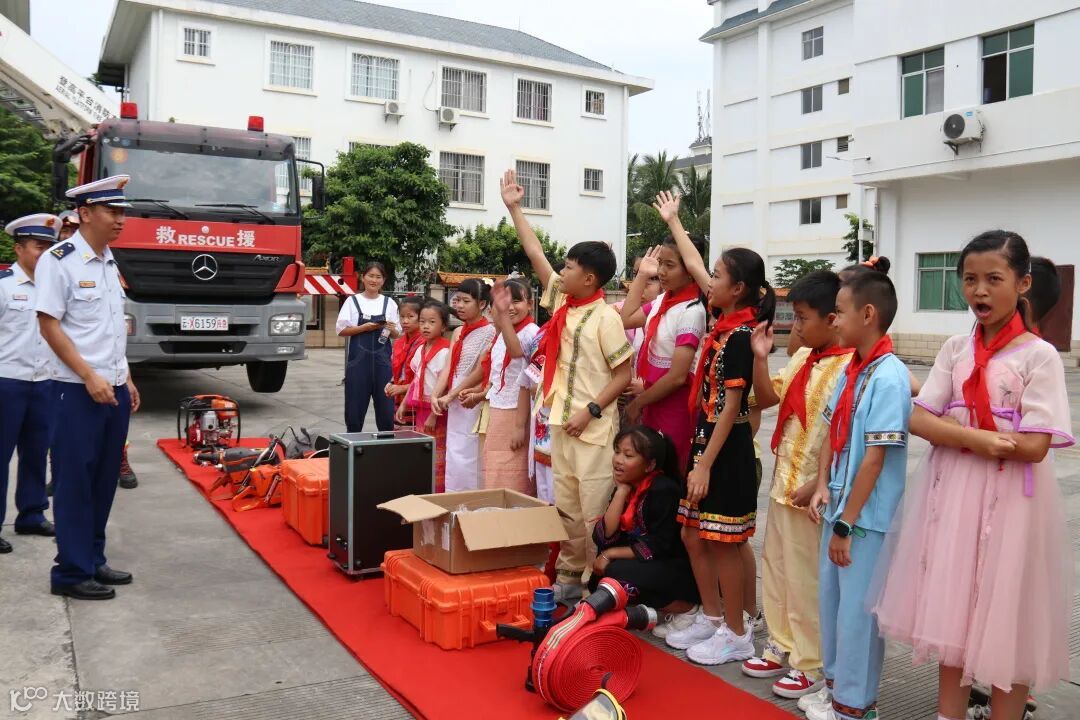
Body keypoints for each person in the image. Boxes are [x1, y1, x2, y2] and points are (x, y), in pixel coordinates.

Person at [872, 232, 1072, 720]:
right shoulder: (956, 349)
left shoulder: (1038, 356)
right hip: (956, 495)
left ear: (1023, 283)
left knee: (1009, 613)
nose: (979, 291)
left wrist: (957, 434)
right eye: (969, 279)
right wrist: (978, 440)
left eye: (993, 279)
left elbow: (1036, 445)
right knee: (954, 610)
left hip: (1012, 502)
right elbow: (918, 417)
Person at [502, 169, 633, 603]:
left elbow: (624, 375)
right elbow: (534, 251)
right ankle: (570, 575)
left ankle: (597, 584)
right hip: (559, 420)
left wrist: (590, 411)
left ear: (590, 279)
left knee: (593, 511)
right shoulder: (563, 300)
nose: (561, 272)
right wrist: (515, 208)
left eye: (570, 267)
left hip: (592, 429)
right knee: (567, 508)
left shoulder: (606, 317)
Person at [801, 270, 910, 720]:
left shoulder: (890, 377)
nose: (835, 320)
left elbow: (874, 460)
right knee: (833, 606)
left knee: (858, 617)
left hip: (864, 519)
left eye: (840, 312)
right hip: (840, 508)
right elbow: (833, 431)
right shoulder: (854, 369)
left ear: (867, 314)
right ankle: (836, 691)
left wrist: (846, 523)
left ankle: (855, 706)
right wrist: (822, 485)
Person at [739, 270, 853, 700]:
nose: (798, 327)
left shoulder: (850, 367)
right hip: (783, 483)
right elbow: (768, 398)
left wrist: (821, 481)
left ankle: (810, 660)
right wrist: (760, 358)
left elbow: (843, 435)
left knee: (807, 580)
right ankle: (780, 643)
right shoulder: (805, 357)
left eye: (804, 318)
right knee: (778, 569)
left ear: (833, 318)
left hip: (814, 494)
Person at [663, 246, 775, 667]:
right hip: (706, 440)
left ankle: (738, 633)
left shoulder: (742, 336)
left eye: (717, 275)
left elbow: (731, 408)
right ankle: (713, 618)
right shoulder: (723, 329)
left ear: (738, 287)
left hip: (725, 450)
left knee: (724, 543)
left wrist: (705, 464)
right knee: (694, 535)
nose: (710, 282)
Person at [36, 176, 141, 600]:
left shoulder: (109, 261)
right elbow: (49, 325)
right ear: (84, 213)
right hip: (75, 390)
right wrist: (88, 376)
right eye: (112, 211)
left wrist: (125, 376)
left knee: (102, 480)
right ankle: (70, 572)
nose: (120, 219)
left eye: (122, 212)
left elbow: (110, 329)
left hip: (111, 388)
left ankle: (92, 559)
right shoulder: (59, 260)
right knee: (74, 482)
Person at [0, 214, 61, 555]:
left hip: (45, 382)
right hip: (7, 382)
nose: (46, 254)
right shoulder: (4, 286)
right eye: (39, 247)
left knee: (37, 452)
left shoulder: (56, 288)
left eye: (50, 248)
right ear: (19, 248)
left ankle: (32, 514)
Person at [590, 425, 699, 616]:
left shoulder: (663, 489)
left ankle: (686, 608)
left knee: (615, 574)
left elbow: (659, 546)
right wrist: (621, 491)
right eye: (617, 452)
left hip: (676, 566)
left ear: (649, 465)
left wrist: (610, 554)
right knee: (598, 581)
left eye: (628, 455)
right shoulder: (628, 485)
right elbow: (605, 536)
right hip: (647, 563)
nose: (618, 460)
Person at [619, 242, 706, 469]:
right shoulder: (663, 301)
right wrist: (642, 276)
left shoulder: (691, 311)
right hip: (652, 400)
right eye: (660, 264)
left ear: (690, 270)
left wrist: (638, 403)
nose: (662, 272)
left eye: (670, 265)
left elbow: (677, 377)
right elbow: (626, 319)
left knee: (667, 467)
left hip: (673, 405)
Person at [431, 279, 496, 492]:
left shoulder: (490, 332)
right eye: (457, 300)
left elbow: (480, 372)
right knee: (454, 452)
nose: (459, 305)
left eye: (466, 301)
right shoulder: (459, 331)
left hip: (470, 399)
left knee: (470, 453)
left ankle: (471, 500)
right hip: (454, 397)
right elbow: (449, 366)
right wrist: (435, 395)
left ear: (482, 304)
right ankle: (454, 497)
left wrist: (451, 395)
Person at [482, 280, 539, 493]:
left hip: (518, 412)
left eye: (517, 301)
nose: (511, 307)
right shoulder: (505, 332)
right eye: (506, 301)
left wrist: (518, 426)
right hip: (500, 408)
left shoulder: (531, 332)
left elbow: (516, 354)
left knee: (513, 472)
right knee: (495, 467)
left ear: (530, 304)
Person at [337, 262, 400, 432]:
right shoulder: (352, 301)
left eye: (378, 277)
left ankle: (386, 444)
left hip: (383, 364)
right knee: (354, 411)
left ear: (383, 280)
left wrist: (391, 329)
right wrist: (364, 328)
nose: (374, 280)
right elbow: (341, 330)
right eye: (370, 276)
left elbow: (397, 334)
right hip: (358, 365)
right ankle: (353, 443)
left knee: (386, 411)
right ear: (362, 277)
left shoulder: (389, 303)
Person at [398, 299, 451, 492]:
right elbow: (416, 378)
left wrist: (434, 415)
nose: (425, 326)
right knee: (424, 450)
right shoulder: (421, 349)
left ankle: (438, 490)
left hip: (437, 411)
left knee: (438, 453)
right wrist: (404, 403)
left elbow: (444, 386)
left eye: (432, 322)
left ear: (443, 326)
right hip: (421, 409)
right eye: (422, 322)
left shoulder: (445, 351)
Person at [516, 324, 554, 503]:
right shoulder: (543, 332)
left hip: (563, 409)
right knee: (544, 482)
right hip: (542, 412)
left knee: (558, 482)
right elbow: (530, 380)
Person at [385, 295, 425, 427]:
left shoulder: (424, 342)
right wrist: (391, 382)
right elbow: (398, 370)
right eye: (402, 317)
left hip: (416, 398)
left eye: (410, 316)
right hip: (399, 396)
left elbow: (425, 378)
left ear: (421, 318)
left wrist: (402, 388)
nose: (405, 321)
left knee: (413, 434)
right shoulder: (399, 342)